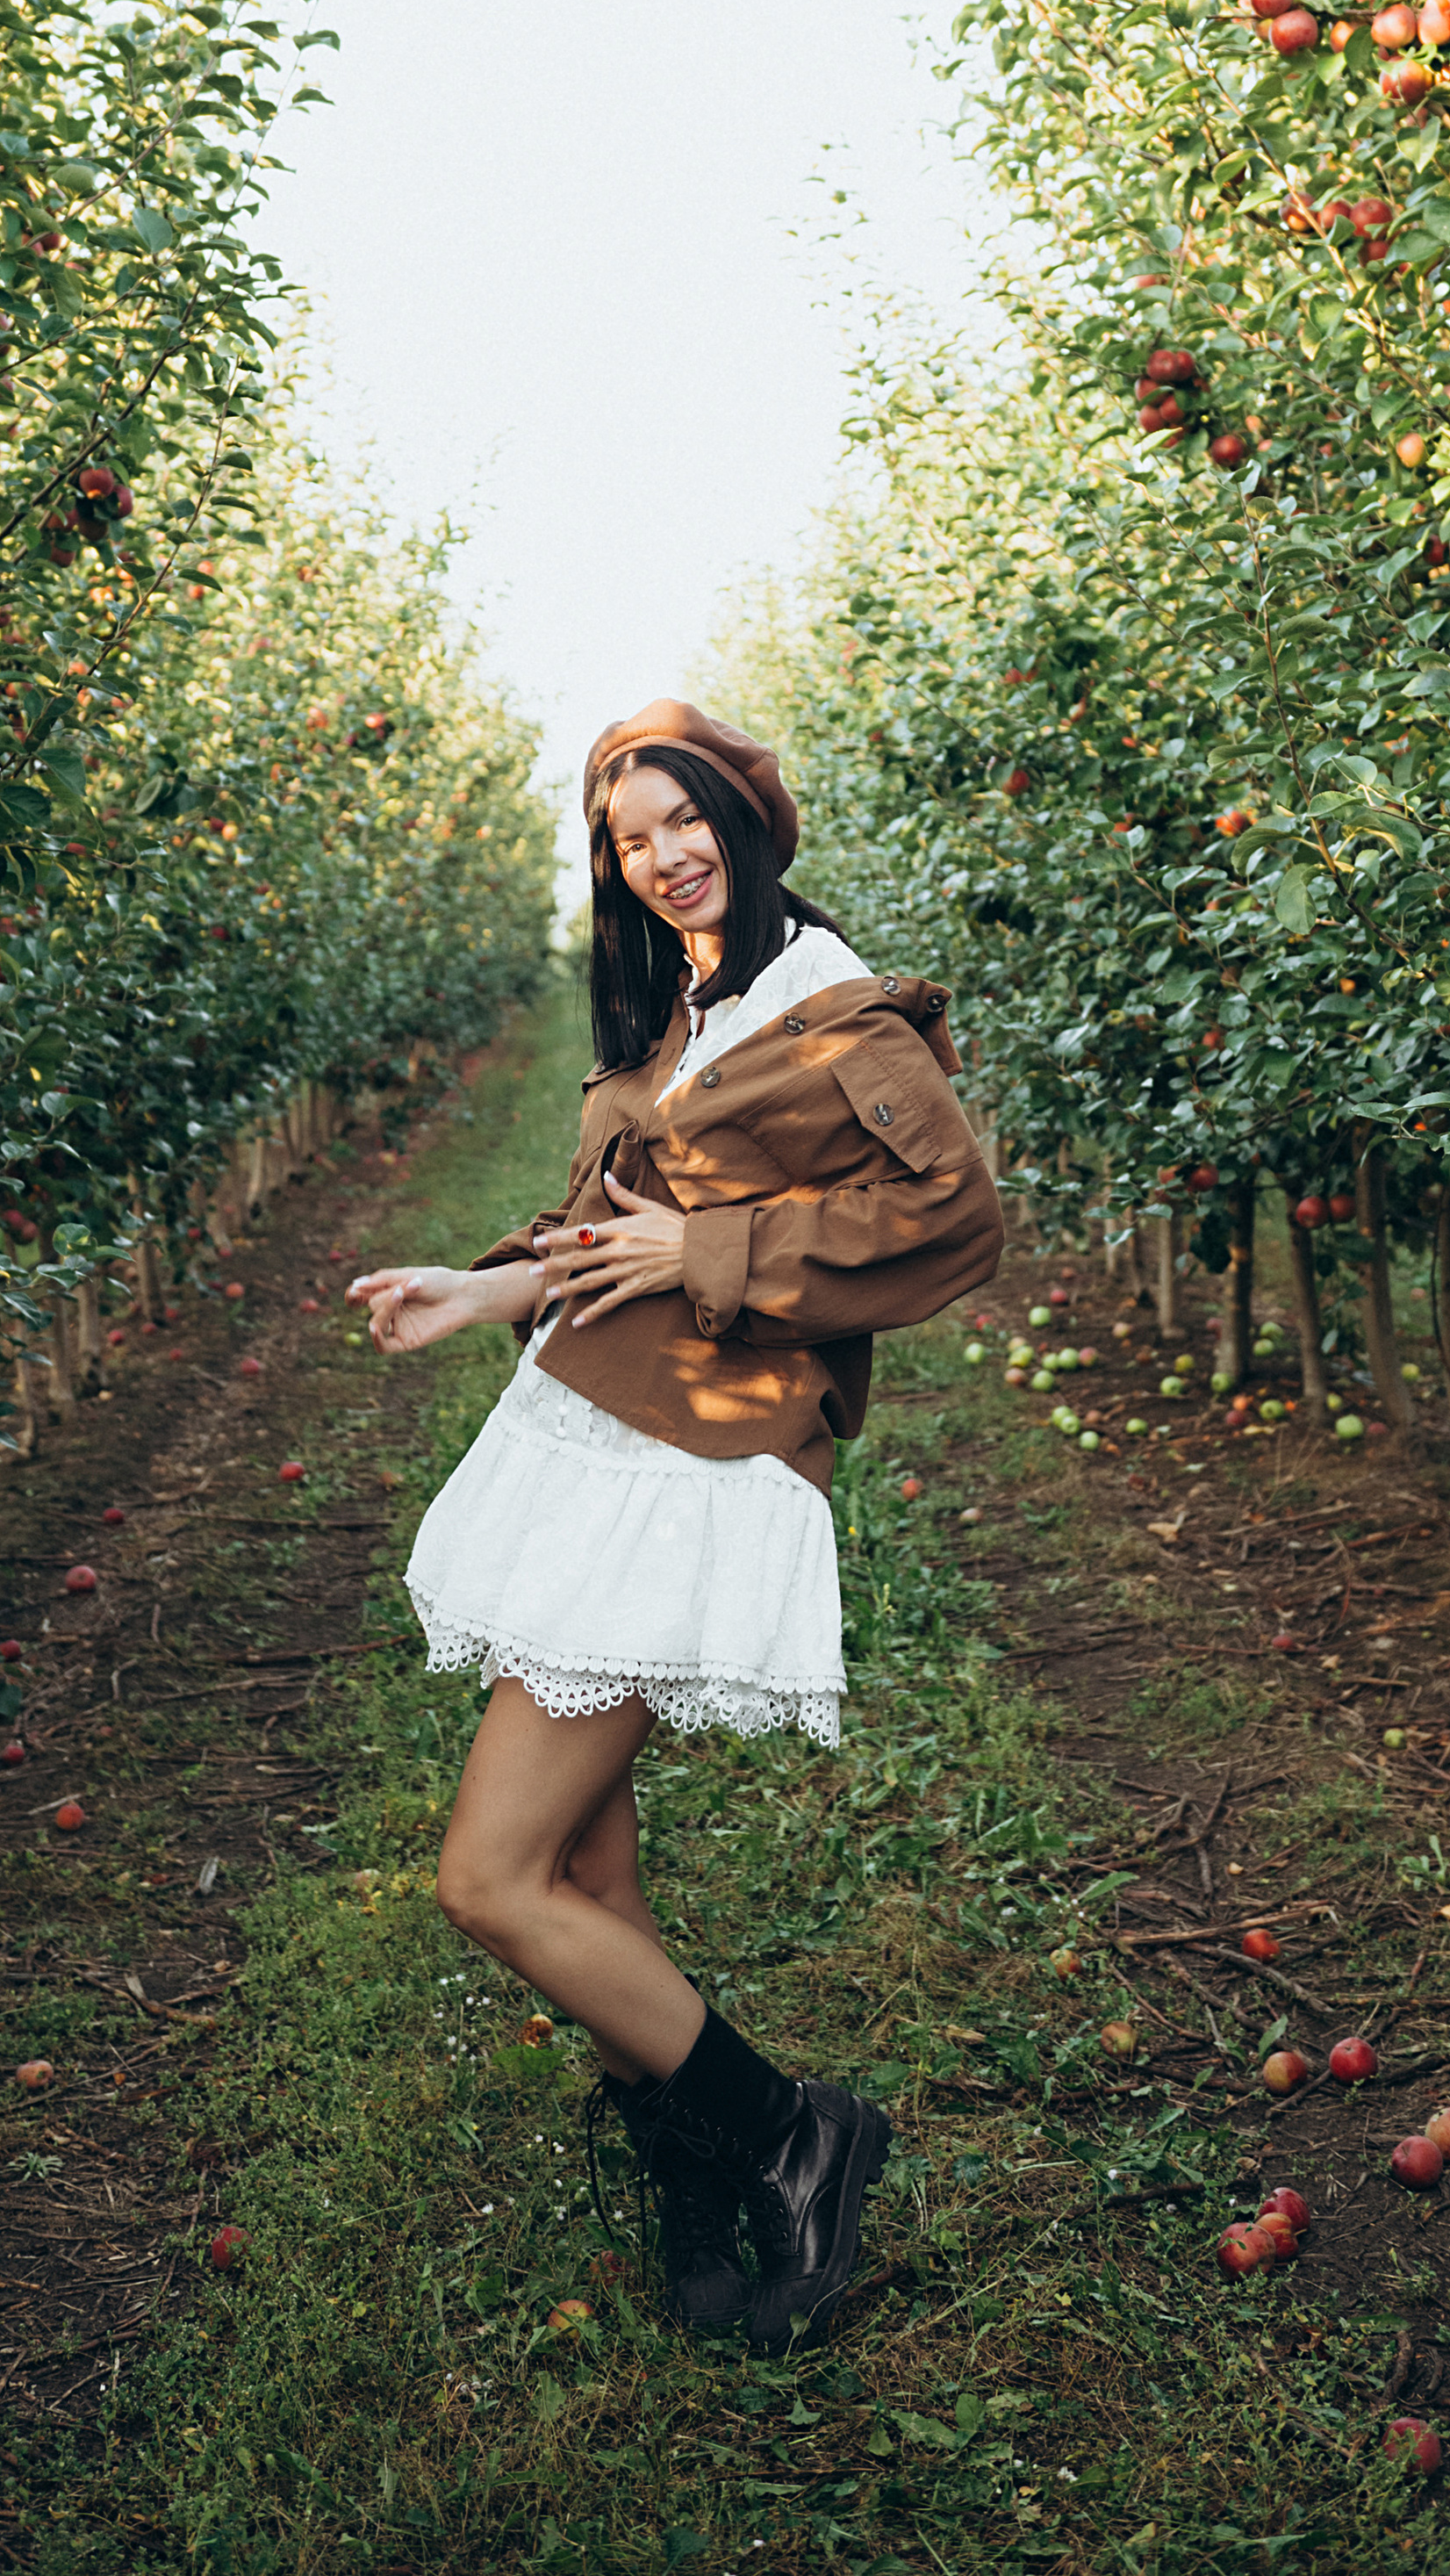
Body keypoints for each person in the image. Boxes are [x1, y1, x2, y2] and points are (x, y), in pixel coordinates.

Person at [348, 697, 1002, 2355]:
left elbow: (952, 1219)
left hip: (681, 1465)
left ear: (748, 816)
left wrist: (710, 1262)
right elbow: (606, 1229)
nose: (670, 853)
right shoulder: (688, 1008)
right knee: (578, 1858)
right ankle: (698, 2158)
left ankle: (790, 2130)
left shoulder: (833, 1010)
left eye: (689, 816)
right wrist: (479, 1284)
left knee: (491, 1879)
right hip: (590, 1429)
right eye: (635, 836)